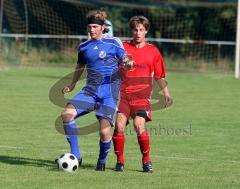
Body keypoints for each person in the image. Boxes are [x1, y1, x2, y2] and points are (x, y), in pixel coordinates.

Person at [57, 10, 132, 171]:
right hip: (90, 91)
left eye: (95, 26)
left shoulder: (113, 42)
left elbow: (125, 57)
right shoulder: (83, 47)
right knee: (66, 114)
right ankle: (76, 155)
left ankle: (102, 160)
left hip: (109, 92)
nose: (92, 29)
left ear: (103, 27)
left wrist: (128, 63)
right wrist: (72, 85)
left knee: (105, 133)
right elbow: (79, 67)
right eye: (90, 26)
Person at [112, 16, 172, 173]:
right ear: (131, 31)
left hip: (142, 98)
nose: (138, 33)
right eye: (135, 30)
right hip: (122, 96)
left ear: (146, 31)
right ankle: (120, 161)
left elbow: (159, 75)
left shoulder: (153, 51)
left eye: (141, 30)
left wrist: (166, 93)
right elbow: (110, 65)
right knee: (119, 126)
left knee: (139, 125)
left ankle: (146, 160)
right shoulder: (122, 48)